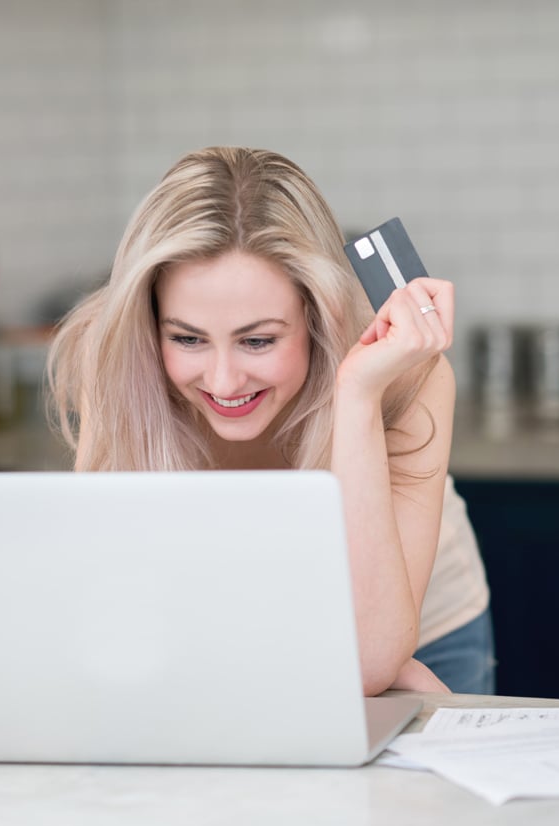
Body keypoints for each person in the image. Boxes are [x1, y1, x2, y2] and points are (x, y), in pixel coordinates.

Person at [48, 146, 494, 696]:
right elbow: (117, 597)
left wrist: (356, 395)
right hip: (231, 629)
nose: (223, 381)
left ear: (316, 317)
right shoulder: (116, 359)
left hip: (419, 631)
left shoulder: (405, 376)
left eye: (257, 340)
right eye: (187, 338)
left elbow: (368, 660)